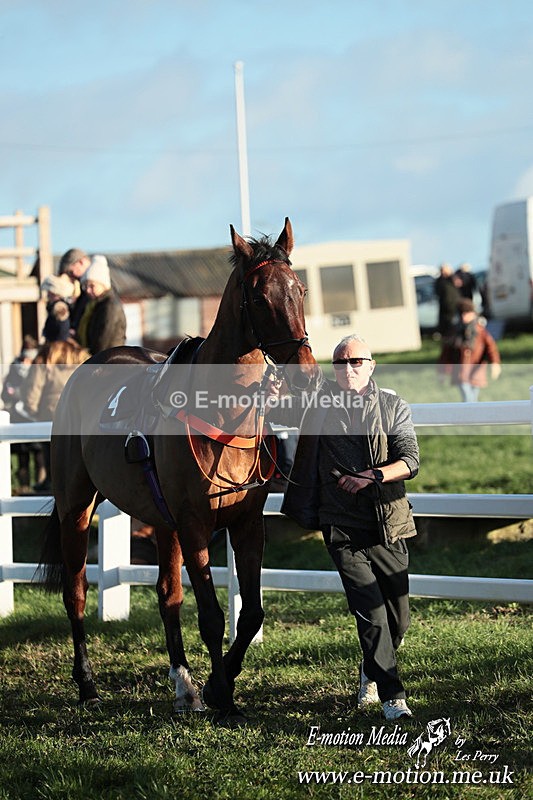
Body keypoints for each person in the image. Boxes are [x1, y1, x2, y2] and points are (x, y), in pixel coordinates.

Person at [272, 333, 420, 721]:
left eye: (356, 361)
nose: (348, 368)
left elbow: (410, 461)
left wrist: (371, 477)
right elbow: (277, 408)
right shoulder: (317, 406)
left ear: (371, 366)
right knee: (369, 610)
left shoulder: (391, 406)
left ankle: (372, 666)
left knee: (398, 618)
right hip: (340, 526)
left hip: (388, 523)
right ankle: (392, 697)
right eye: (340, 362)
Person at [18, 339, 89, 492]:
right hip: (79, 415)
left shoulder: (45, 357)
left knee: (53, 462)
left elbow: (32, 390)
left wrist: (34, 412)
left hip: (50, 416)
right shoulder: (80, 355)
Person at [0, 336, 46, 493]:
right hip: (19, 419)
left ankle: (40, 491)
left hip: (35, 418)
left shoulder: (38, 368)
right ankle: (24, 490)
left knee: (41, 459)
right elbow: (6, 393)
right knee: (23, 460)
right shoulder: (14, 368)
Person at [439, 298, 501, 402]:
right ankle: (469, 416)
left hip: (476, 371)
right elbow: (446, 352)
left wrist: (495, 363)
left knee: (473, 399)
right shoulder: (454, 331)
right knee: (468, 398)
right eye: (461, 313)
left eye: (466, 313)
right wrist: (442, 370)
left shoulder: (480, 331)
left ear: (473, 313)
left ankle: (472, 417)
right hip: (460, 372)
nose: (464, 316)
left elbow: (491, 348)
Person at [76, 255, 127, 355]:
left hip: (110, 360)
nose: (87, 290)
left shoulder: (110, 306)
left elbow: (103, 339)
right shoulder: (93, 305)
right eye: (85, 286)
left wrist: (91, 362)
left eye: (92, 286)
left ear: (103, 284)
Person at [57, 248, 91, 334]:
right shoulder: (82, 290)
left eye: (71, 272)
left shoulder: (95, 289)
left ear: (81, 262)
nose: (71, 278)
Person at [40, 273, 75, 342]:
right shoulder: (55, 306)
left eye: (49, 291)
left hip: (58, 348)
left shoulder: (59, 307)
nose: (47, 294)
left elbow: (62, 332)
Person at [434, 263, 460, 337]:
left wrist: (451, 274)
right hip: (445, 308)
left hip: (455, 305)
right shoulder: (440, 281)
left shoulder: (451, 279)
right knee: (446, 327)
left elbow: (458, 283)